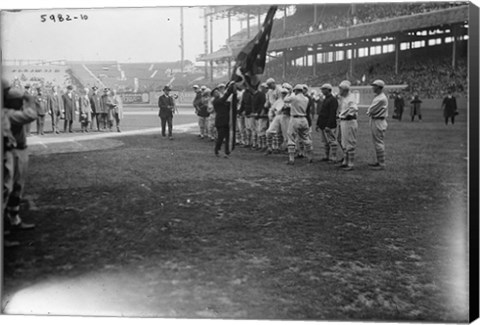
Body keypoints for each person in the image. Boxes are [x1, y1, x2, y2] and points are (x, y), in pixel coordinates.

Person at [3, 80, 38, 235]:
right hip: (14, 151)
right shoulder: (8, 114)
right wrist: (29, 99)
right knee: (9, 188)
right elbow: (30, 115)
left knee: (16, 187)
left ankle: (13, 218)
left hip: (18, 150)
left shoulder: (9, 112)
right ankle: (9, 221)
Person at [284, 84, 313, 165]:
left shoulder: (294, 97)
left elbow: (285, 100)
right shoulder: (306, 99)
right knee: (306, 137)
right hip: (304, 119)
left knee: (291, 137)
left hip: (295, 118)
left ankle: (291, 159)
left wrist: (289, 93)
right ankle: (310, 157)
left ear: (296, 90)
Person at [366, 80, 389, 170]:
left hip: (378, 121)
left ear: (379, 87)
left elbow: (371, 110)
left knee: (379, 142)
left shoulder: (381, 98)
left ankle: (382, 164)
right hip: (376, 120)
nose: (373, 87)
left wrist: (369, 112)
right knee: (377, 142)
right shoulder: (378, 97)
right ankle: (379, 161)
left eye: (374, 86)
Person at [337, 80, 358, 171]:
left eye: (340, 89)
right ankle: (345, 161)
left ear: (345, 90)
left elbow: (353, 109)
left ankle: (351, 163)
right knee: (344, 142)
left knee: (350, 142)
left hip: (349, 122)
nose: (339, 90)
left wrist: (346, 115)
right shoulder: (344, 97)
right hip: (344, 122)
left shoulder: (351, 98)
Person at [316, 83, 338, 163]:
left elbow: (332, 114)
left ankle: (334, 157)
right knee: (325, 141)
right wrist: (318, 124)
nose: (322, 91)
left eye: (323, 89)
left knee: (332, 140)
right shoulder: (325, 99)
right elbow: (322, 113)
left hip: (329, 124)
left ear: (328, 90)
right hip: (323, 124)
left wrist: (328, 125)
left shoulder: (333, 100)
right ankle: (327, 156)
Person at [212, 82, 235, 158]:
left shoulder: (222, 100)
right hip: (221, 122)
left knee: (228, 137)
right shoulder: (216, 101)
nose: (217, 93)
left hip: (227, 121)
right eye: (215, 93)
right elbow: (225, 97)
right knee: (221, 138)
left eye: (217, 92)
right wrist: (229, 90)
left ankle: (227, 152)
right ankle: (217, 149)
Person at [265, 87, 289, 155]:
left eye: (285, 93)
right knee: (269, 131)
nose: (283, 94)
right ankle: (270, 147)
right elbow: (271, 109)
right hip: (277, 116)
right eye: (282, 93)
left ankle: (286, 149)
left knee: (286, 134)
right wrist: (270, 116)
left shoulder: (289, 100)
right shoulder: (278, 101)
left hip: (286, 117)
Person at [253, 83, 268, 151]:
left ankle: (264, 145)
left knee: (262, 129)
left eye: (264, 87)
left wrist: (261, 112)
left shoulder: (264, 95)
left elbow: (263, 105)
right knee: (259, 130)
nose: (262, 89)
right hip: (259, 114)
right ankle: (260, 145)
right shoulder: (260, 94)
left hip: (263, 114)